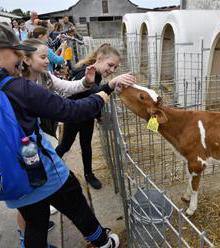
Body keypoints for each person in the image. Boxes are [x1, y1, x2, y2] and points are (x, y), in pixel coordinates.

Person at [0, 23, 132, 248]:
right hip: (38, 169)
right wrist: (104, 93)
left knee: (36, 221)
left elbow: (68, 87)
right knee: (75, 201)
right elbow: (71, 110)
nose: (19, 56)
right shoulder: (17, 87)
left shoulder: (39, 80)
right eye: (15, 50)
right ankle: (103, 242)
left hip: (11, 180)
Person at [16, 37, 99, 248]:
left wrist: (87, 81)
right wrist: (101, 96)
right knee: (31, 197)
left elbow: (68, 87)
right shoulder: (17, 85)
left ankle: (31, 238)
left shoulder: (44, 77)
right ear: (25, 59)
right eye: (43, 57)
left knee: (32, 201)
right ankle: (27, 238)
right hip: (23, 147)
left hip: (36, 139)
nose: (48, 60)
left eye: (47, 56)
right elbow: (65, 108)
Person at [56, 43, 135, 189]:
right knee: (65, 145)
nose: (112, 70)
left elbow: (95, 97)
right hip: (73, 117)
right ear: (99, 58)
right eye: (110, 65)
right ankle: (49, 169)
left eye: (115, 68)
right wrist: (111, 84)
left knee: (86, 145)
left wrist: (98, 115)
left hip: (86, 115)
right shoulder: (84, 73)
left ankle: (88, 174)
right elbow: (94, 92)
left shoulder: (97, 74)